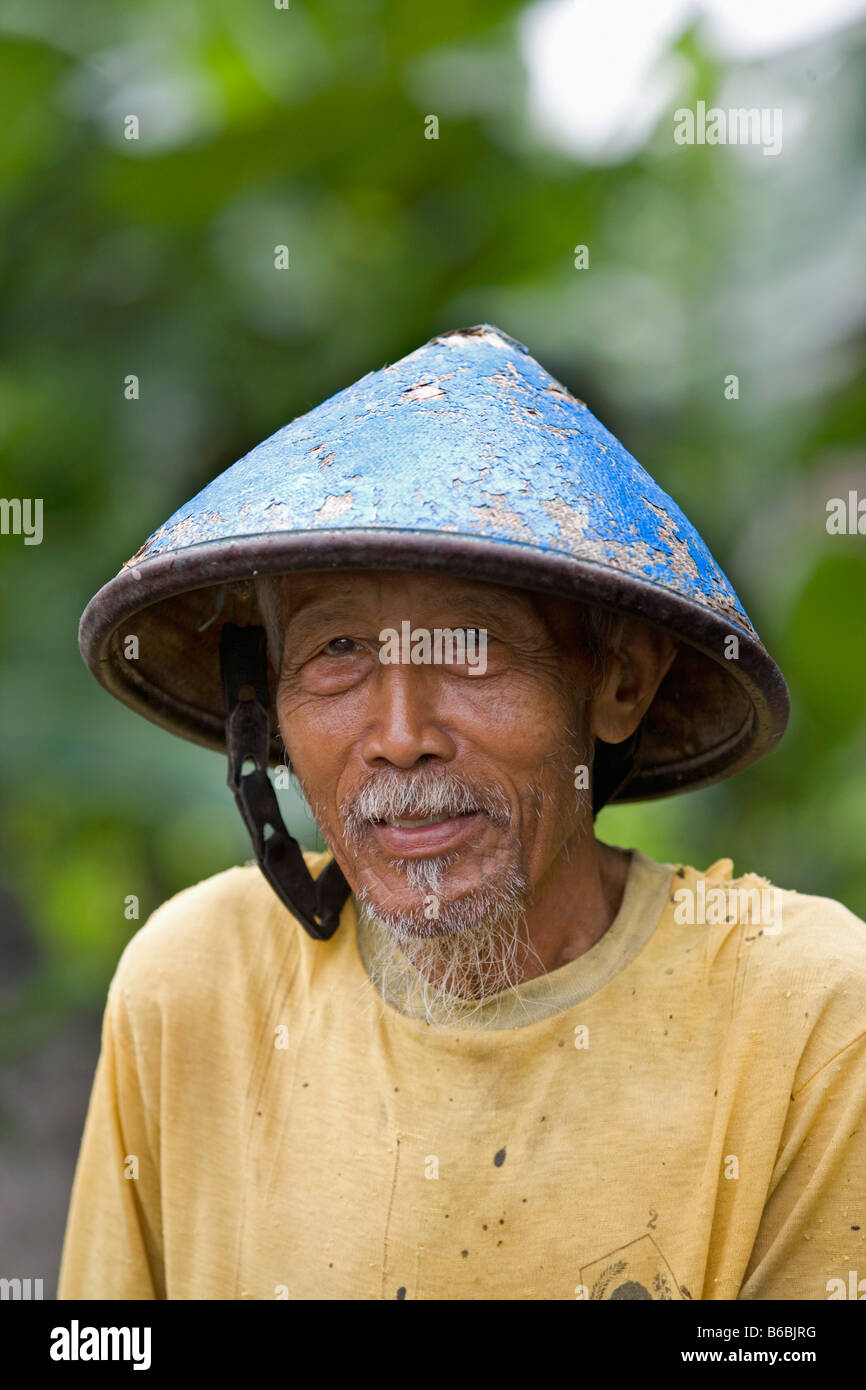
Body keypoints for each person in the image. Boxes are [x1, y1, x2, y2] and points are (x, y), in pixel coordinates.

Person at [59, 324, 866, 1301]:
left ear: (616, 681)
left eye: (472, 648)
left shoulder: (799, 1013)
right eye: (338, 650)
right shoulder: (194, 988)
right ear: (264, 703)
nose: (400, 733)